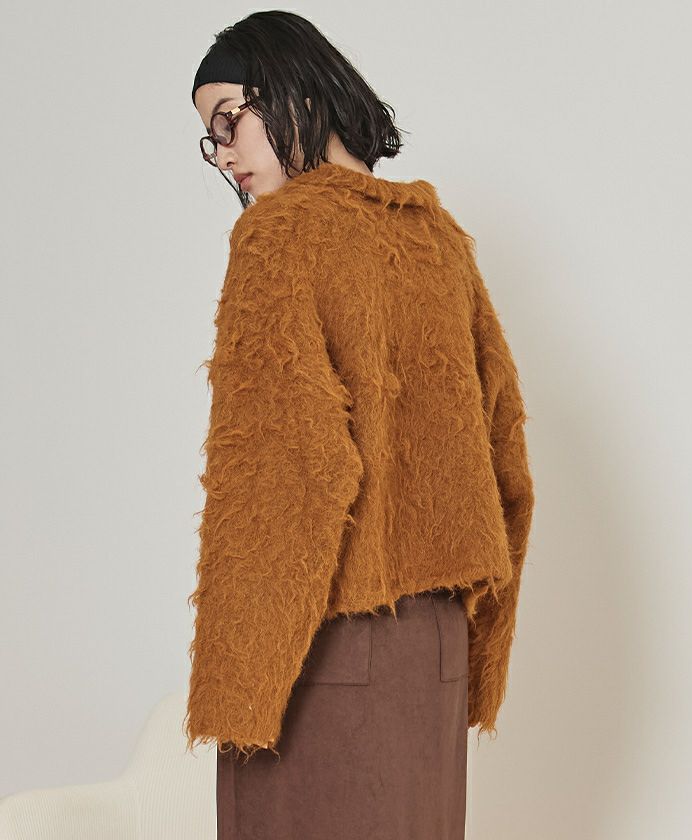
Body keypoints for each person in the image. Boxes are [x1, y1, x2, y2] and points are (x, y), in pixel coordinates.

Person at [186, 10, 535, 840]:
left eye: (230, 119)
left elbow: (279, 476)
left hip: (319, 651)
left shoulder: (278, 236)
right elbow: (507, 462)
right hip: (436, 657)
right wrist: (482, 650)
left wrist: (235, 681)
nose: (224, 154)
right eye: (210, 138)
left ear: (297, 92)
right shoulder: (438, 239)